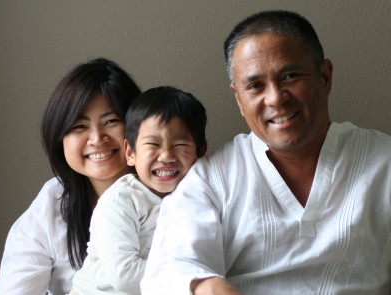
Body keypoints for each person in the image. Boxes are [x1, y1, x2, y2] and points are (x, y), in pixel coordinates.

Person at [141, 10, 391, 294]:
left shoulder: (384, 163)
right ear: (238, 98)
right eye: (255, 85)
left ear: (325, 77)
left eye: (290, 76)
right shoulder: (212, 179)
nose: (275, 98)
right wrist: (205, 287)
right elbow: (168, 270)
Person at [0, 58, 141, 295]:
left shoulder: (173, 191)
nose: (97, 138)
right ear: (59, 136)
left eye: (111, 121)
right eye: (79, 126)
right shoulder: (50, 205)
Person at [68, 86, 207, 295]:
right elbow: (125, 276)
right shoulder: (121, 200)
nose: (166, 156)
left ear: (201, 151)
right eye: (153, 144)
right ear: (130, 152)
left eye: (180, 144)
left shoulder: (199, 198)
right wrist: (191, 276)